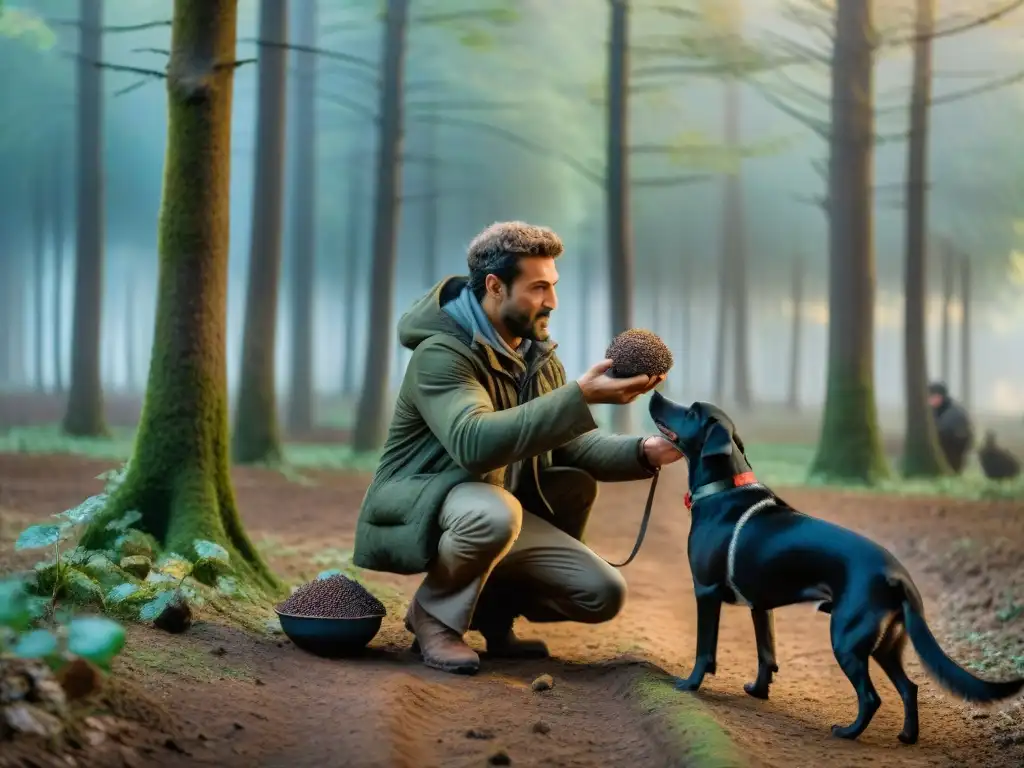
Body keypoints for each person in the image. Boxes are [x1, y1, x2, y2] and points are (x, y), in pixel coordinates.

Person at [352, 221, 683, 675]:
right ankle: (434, 619)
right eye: (539, 287)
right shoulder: (442, 354)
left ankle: (491, 616)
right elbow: (474, 443)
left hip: (494, 508)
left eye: (554, 286)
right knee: (494, 513)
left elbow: (568, 443)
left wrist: (644, 451)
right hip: (423, 498)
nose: (552, 301)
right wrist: (579, 397)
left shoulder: (536, 355)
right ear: (494, 286)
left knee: (602, 592)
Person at [927, 381, 974, 474]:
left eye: (934, 396)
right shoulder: (937, 411)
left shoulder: (953, 413)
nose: (931, 400)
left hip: (953, 447)